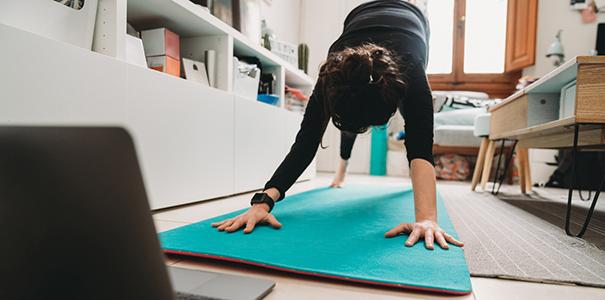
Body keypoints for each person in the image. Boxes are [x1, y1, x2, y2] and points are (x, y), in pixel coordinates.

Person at [212, 0, 463, 250]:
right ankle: (341, 170)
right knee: (356, 96)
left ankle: (417, 193)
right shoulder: (332, 76)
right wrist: (262, 203)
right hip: (359, 16)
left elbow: (420, 147)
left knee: (417, 118)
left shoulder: (412, 71)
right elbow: (305, 144)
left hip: (413, 17)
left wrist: (427, 219)